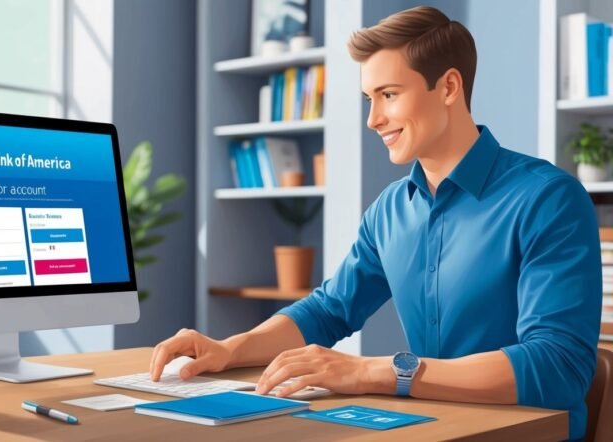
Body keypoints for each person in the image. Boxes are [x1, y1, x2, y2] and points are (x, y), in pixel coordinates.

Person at [149, 6, 601, 440]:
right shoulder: (390, 210)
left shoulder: (548, 198)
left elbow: (557, 368)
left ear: (447, 87)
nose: (373, 119)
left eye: (388, 95)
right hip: (428, 430)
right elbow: (329, 310)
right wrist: (230, 349)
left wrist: (373, 371)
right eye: (369, 98)